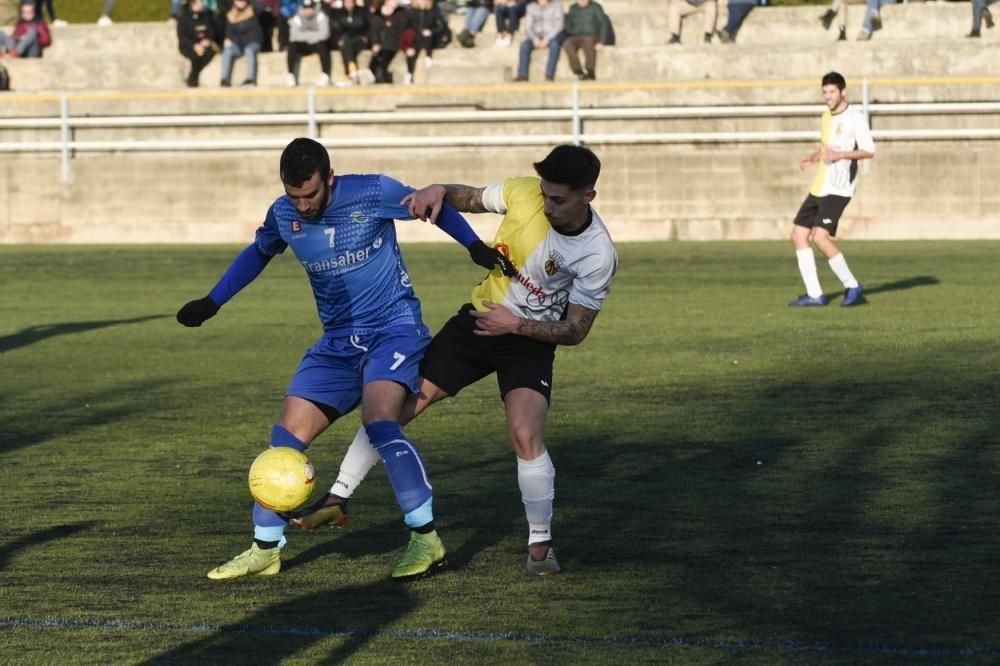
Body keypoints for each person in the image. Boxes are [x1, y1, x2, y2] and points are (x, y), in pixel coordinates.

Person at [177, 137, 516, 581]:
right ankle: (265, 548)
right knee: (283, 440)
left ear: (329, 178)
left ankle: (425, 538)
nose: (303, 206)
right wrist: (214, 300)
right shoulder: (283, 214)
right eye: (294, 196)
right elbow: (259, 251)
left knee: (380, 422)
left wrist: (473, 246)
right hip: (337, 343)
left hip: (394, 329)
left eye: (311, 194)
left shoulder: (373, 192)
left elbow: (433, 206)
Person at [291, 145, 619, 577]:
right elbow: (473, 197)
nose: (547, 205)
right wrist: (438, 189)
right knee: (396, 409)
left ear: (587, 197)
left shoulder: (598, 253)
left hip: (527, 341)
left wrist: (516, 326)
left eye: (558, 200)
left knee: (525, 434)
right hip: (477, 324)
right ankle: (336, 499)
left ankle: (540, 546)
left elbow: (576, 330)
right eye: (544, 194)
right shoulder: (524, 193)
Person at [789, 72, 874, 308]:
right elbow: (826, 148)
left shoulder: (855, 118)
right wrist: (814, 158)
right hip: (821, 184)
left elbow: (869, 150)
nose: (828, 97)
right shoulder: (826, 117)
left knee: (819, 236)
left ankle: (852, 285)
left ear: (843, 92)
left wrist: (842, 155)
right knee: (798, 235)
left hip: (840, 187)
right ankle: (815, 294)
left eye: (832, 92)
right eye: (825, 92)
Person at [561, 0, 612, 81]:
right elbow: (568, 24)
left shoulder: (596, 7)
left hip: (592, 35)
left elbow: (603, 23)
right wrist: (572, 30)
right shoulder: (573, 8)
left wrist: (602, 41)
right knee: (567, 44)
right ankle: (577, 70)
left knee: (587, 41)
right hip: (576, 35)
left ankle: (590, 70)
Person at [514, 0, 563, 82]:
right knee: (524, 45)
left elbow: (559, 25)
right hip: (536, 36)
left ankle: (549, 74)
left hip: (552, 36)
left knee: (555, 45)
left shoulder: (557, 5)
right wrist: (534, 38)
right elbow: (528, 27)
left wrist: (547, 38)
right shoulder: (530, 7)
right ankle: (522, 74)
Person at [286, 0, 332, 86]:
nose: (308, 10)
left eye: (310, 8)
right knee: (292, 46)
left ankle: (325, 75)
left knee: (323, 46)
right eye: (305, 8)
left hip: (316, 44)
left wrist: (305, 34)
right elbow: (293, 36)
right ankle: (290, 75)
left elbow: (324, 34)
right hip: (303, 44)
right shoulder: (297, 16)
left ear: (314, 8)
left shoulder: (321, 15)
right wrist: (314, 33)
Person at [220, 0, 264, 86]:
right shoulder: (231, 15)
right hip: (238, 45)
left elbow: (261, 8)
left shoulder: (252, 10)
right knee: (227, 50)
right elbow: (229, 33)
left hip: (252, 43)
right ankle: (224, 79)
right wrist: (235, 41)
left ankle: (250, 79)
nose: (241, 2)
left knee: (249, 50)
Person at [176, 0, 218, 87]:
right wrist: (194, 45)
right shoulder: (184, 18)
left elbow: (212, 31)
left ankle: (192, 77)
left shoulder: (206, 16)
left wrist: (207, 40)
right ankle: (193, 80)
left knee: (208, 53)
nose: (202, 4)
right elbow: (182, 37)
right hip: (189, 46)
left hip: (204, 46)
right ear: (193, 4)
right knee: (196, 56)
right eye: (199, 2)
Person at [329, 0, 370, 85]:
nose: (348, 4)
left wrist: (365, 36)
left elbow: (366, 25)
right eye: (346, 2)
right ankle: (351, 67)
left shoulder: (362, 11)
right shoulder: (339, 13)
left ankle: (348, 73)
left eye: (350, 2)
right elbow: (336, 28)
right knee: (346, 44)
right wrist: (339, 39)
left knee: (348, 44)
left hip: (360, 40)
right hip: (346, 40)